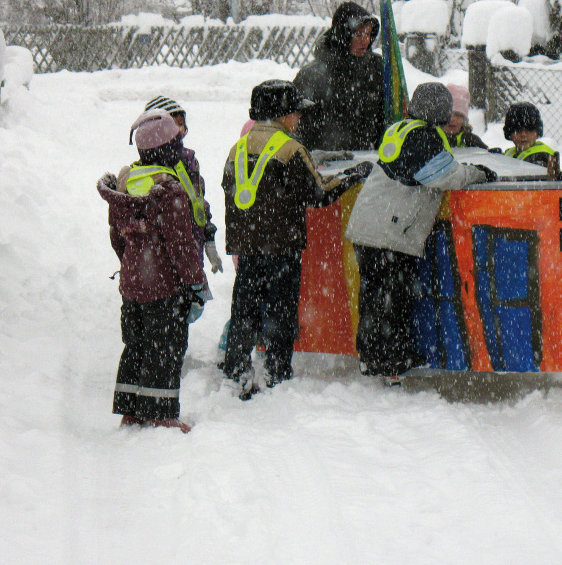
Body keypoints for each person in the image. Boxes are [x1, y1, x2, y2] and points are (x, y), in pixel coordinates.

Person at [221, 79, 372, 399]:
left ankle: (235, 368)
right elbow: (317, 194)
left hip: (247, 244)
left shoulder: (238, 147)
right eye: (295, 112)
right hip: (281, 245)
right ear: (280, 114)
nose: (300, 118)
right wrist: (351, 176)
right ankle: (276, 370)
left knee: (244, 308)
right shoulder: (290, 148)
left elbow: (229, 188)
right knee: (279, 308)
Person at [345, 82, 497, 379]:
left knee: (373, 297)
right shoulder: (425, 137)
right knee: (393, 301)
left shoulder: (400, 128)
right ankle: (392, 362)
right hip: (392, 232)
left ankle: (371, 356)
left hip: (369, 227)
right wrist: (478, 173)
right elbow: (444, 175)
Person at [97, 109, 207, 433]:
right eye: (177, 140)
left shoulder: (126, 185)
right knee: (166, 348)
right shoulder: (170, 191)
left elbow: (117, 235)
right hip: (165, 288)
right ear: (169, 149)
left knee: (136, 344)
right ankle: (161, 413)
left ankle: (130, 409)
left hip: (133, 284)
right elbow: (181, 247)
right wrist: (194, 282)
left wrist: (130, 262)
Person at [143, 95, 223, 275]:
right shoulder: (149, 170)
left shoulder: (188, 161)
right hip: (164, 265)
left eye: (182, 124)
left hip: (192, 255)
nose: (181, 130)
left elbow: (198, 201)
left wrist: (208, 236)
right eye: (174, 125)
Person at [293, 2, 386, 151]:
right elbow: (297, 125)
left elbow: (387, 116)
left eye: (368, 34)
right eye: (359, 34)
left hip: (369, 160)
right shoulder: (313, 75)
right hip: (326, 162)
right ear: (343, 34)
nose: (365, 40)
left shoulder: (376, 68)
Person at [501, 102, 556, 168]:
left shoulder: (542, 157)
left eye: (529, 130)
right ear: (509, 134)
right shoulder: (510, 153)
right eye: (518, 130)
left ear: (537, 133)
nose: (523, 135)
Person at [443, 83, 488, 149]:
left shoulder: (471, 141)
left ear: (464, 120)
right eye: (448, 115)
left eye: (458, 115)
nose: (452, 119)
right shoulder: (430, 140)